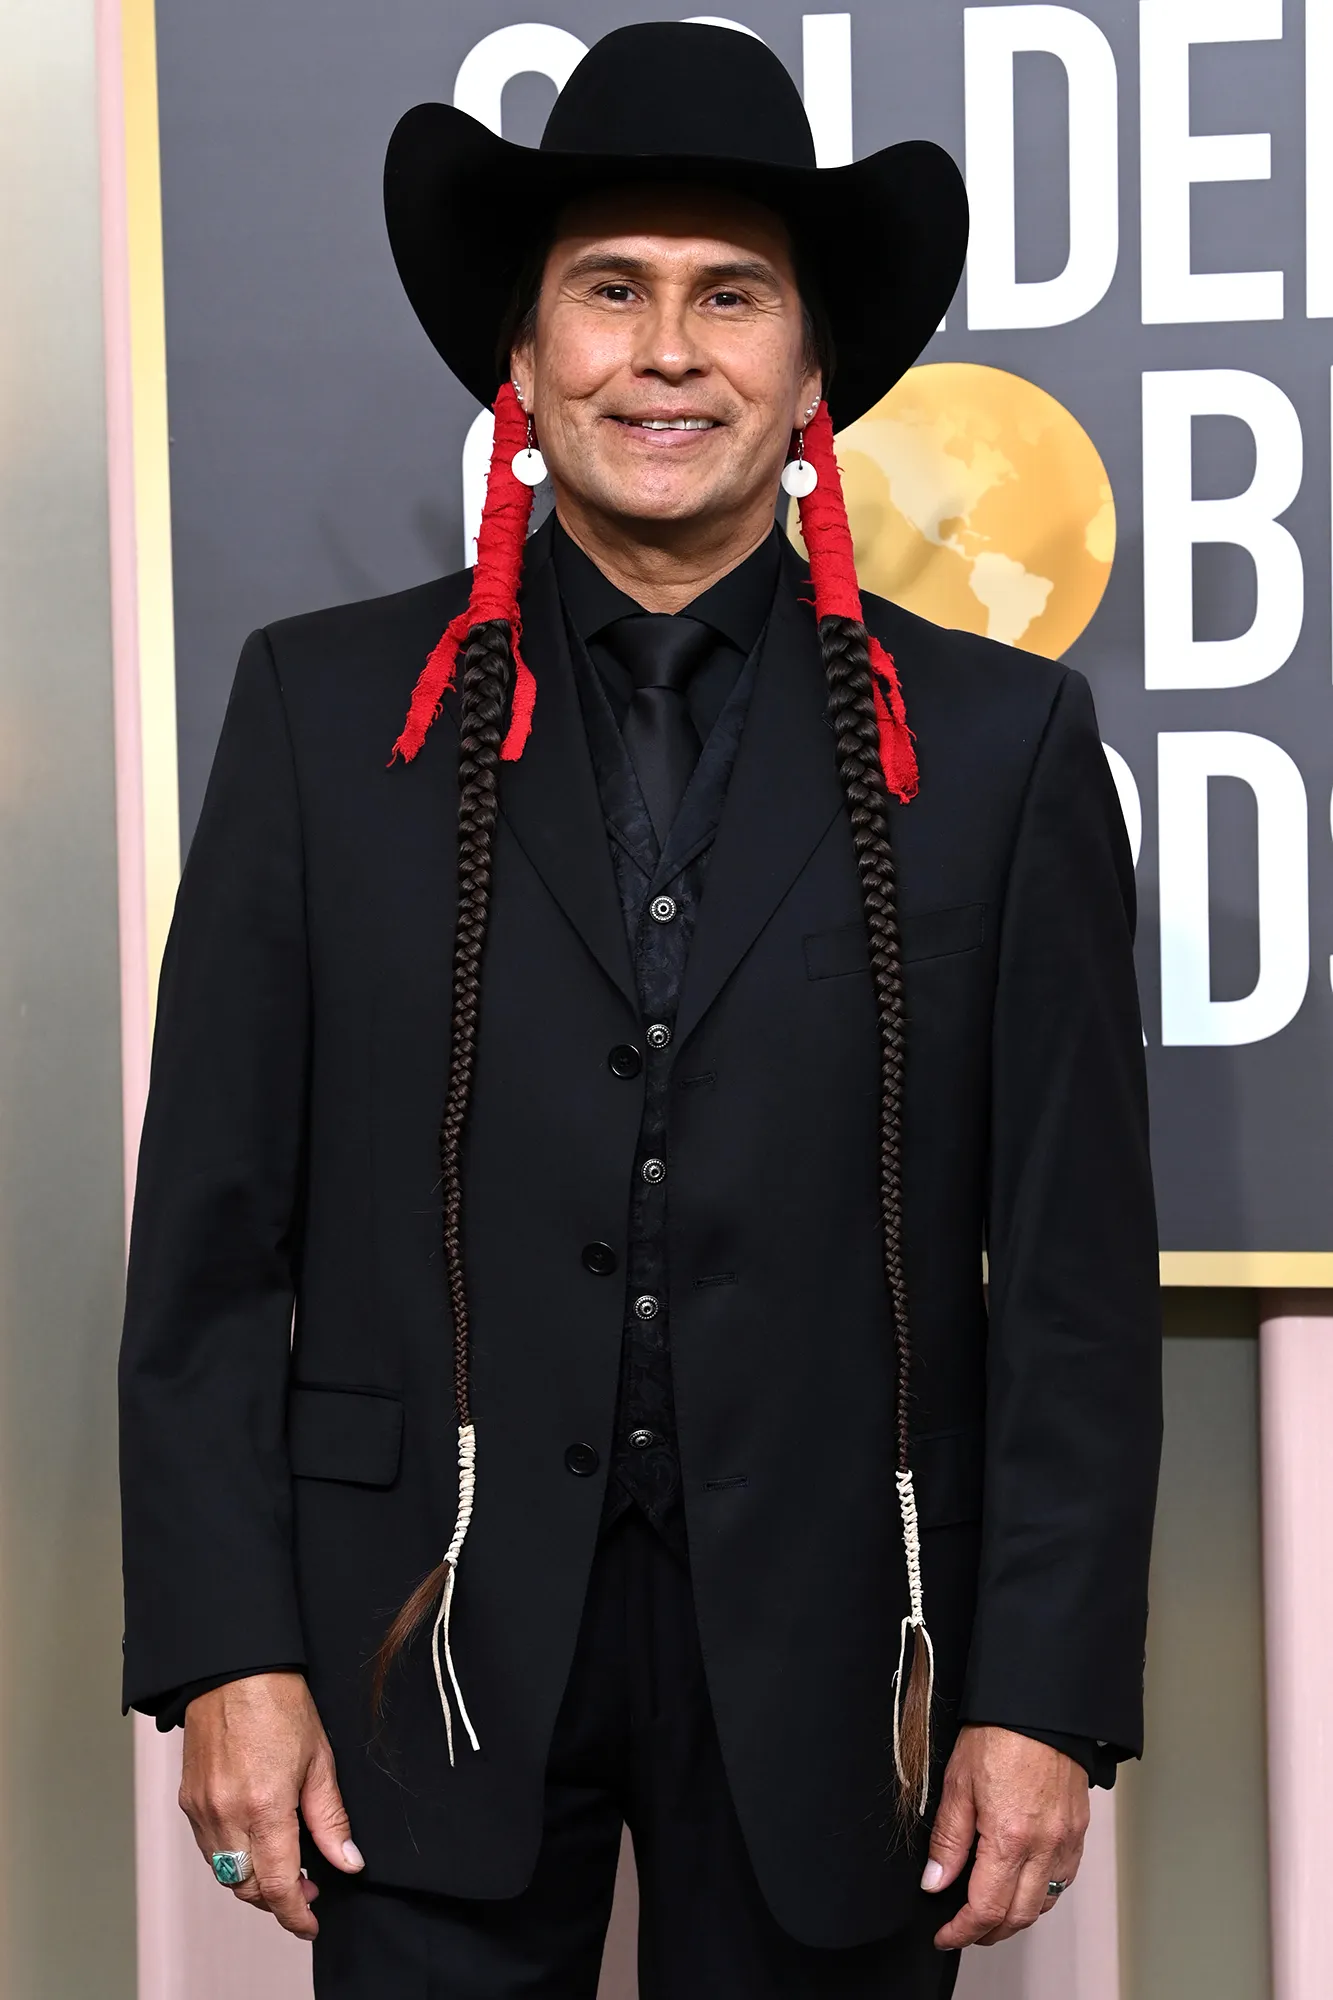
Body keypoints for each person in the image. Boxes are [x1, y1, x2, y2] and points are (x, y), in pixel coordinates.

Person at [119, 22, 1161, 1999]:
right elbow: (208, 1251)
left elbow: (1077, 1288)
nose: (666, 353)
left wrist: (1042, 1693)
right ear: (521, 358)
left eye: (730, 296)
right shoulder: (319, 716)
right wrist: (226, 1650)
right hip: (415, 1638)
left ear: (812, 369)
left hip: (849, 1654)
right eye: (609, 289)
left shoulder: (1004, 745)